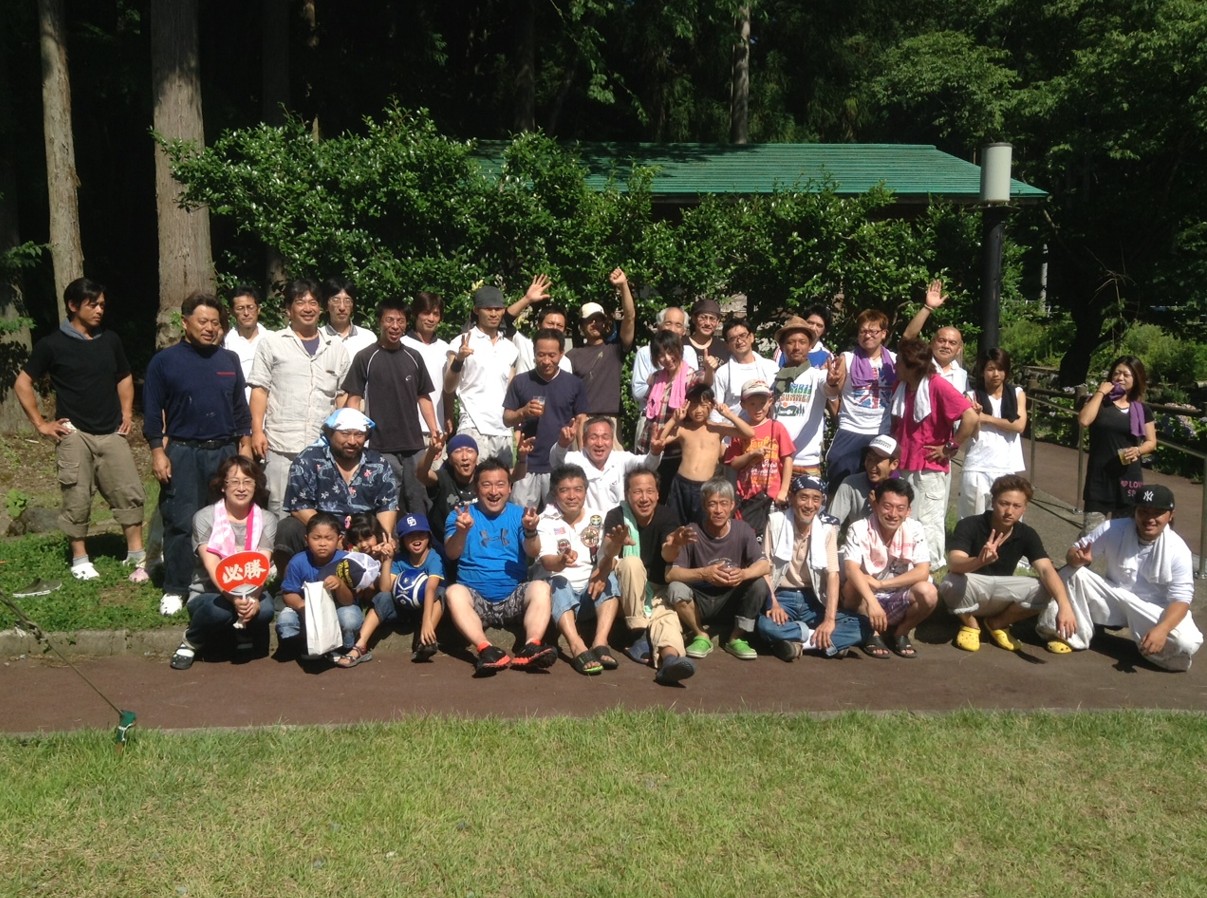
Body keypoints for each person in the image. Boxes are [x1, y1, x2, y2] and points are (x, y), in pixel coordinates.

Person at [14, 277, 147, 582]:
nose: (100, 310)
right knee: (77, 496)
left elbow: (124, 376)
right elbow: (23, 383)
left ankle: (136, 553)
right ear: (73, 306)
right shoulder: (51, 345)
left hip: (111, 431)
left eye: (102, 304)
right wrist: (41, 424)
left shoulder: (110, 340)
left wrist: (127, 412)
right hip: (74, 433)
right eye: (93, 304)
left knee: (128, 491)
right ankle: (80, 559)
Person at [143, 292, 253, 615]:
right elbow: (152, 413)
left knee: (228, 519)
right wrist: (157, 452)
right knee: (181, 521)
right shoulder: (165, 362)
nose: (209, 328)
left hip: (224, 451)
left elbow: (240, 408)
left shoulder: (228, 360)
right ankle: (176, 588)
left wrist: (245, 445)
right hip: (183, 451)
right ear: (185, 322)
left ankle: (226, 580)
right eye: (203, 321)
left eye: (215, 323)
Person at [1038, 484, 1203, 671]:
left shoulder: (1178, 549)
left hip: (1153, 611)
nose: (1149, 519)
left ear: (1170, 515)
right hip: (1115, 595)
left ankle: (1149, 644)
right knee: (1072, 572)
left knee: (1186, 643)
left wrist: (1162, 629)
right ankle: (1068, 635)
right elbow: (1074, 551)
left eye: (1157, 513)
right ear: (1135, 511)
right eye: (1144, 511)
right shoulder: (1112, 528)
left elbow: (1181, 599)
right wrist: (1076, 558)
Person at [442, 458, 557, 675]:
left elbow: (533, 552)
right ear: (476, 488)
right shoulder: (461, 515)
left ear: (510, 488)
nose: (494, 491)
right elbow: (451, 553)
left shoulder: (520, 514)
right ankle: (486, 649)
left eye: (500, 484)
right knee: (453, 592)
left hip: (513, 596)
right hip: (475, 597)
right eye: (486, 485)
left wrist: (531, 531)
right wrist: (462, 532)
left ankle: (531, 646)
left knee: (541, 587)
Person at [248, 278, 351, 514]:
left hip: (323, 448)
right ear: (288, 309)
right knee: (280, 509)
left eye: (313, 303)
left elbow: (342, 398)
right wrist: (257, 431)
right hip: (281, 446)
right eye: (300, 302)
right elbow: (260, 390)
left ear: (321, 308)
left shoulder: (336, 348)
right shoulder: (271, 344)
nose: (308, 308)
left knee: (323, 513)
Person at [941, 475, 1076, 653]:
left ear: (1024, 508)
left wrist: (1064, 606)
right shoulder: (970, 524)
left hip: (1002, 593)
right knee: (950, 582)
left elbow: (1046, 569)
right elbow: (954, 562)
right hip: (971, 588)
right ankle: (971, 625)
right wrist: (979, 560)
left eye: (1016, 506)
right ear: (993, 501)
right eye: (1004, 503)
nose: (1009, 511)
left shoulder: (1027, 534)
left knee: (1046, 587)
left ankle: (997, 624)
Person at [168, 456, 276, 670]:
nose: (241, 488)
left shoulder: (267, 519)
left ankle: (241, 632)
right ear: (222, 486)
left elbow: (261, 565)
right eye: (234, 481)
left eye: (248, 481)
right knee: (219, 611)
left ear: (256, 486)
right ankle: (191, 641)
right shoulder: (205, 517)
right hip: (210, 592)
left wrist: (253, 598)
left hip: (251, 589)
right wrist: (235, 599)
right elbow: (213, 566)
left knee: (265, 610)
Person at [596, 469, 697, 684]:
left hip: (656, 591)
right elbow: (607, 551)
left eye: (650, 491)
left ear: (658, 494)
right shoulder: (617, 516)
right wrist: (617, 542)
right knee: (632, 562)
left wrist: (675, 544)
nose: (644, 498)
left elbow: (667, 553)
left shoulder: (667, 515)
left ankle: (670, 661)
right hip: (625, 594)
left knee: (667, 618)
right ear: (627, 494)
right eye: (637, 492)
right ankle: (638, 632)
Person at [340, 296, 438, 515]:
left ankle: (421, 537)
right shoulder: (365, 357)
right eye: (390, 320)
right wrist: (354, 433)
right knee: (388, 500)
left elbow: (423, 396)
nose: (395, 326)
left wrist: (434, 430)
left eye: (400, 321)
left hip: (414, 444)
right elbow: (353, 398)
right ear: (380, 322)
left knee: (418, 499)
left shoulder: (414, 357)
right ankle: (388, 536)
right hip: (380, 444)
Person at [275, 408, 399, 571]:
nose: (352, 441)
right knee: (288, 528)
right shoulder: (308, 460)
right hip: (322, 532)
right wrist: (333, 536)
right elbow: (299, 506)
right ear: (330, 433)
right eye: (345, 434)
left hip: (363, 533)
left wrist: (384, 538)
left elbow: (387, 505)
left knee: (388, 536)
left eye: (359, 435)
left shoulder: (378, 463)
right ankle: (291, 581)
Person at [758, 475, 866, 660]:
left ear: (821, 502)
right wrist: (773, 603)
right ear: (792, 498)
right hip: (783, 597)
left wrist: (829, 620)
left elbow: (832, 575)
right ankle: (826, 643)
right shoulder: (776, 522)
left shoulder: (826, 528)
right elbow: (763, 568)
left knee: (864, 625)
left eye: (816, 499)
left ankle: (799, 644)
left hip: (813, 600)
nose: (809, 505)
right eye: (803, 497)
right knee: (764, 625)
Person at [890, 337, 977, 567]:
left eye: (899, 362)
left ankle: (933, 565)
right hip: (905, 461)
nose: (895, 366)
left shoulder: (936, 385)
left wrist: (951, 446)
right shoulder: (903, 386)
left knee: (929, 518)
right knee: (908, 516)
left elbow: (970, 417)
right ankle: (910, 561)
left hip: (929, 464)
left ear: (912, 366)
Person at [666, 476, 771, 661]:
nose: (718, 510)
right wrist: (704, 573)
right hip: (700, 600)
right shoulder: (692, 531)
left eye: (724, 503)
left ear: (732, 505)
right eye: (712, 504)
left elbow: (764, 565)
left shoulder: (742, 529)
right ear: (704, 506)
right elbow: (671, 574)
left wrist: (743, 574)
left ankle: (736, 638)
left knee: (759, 584)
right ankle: (700, 634)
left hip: (729, 599)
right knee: (676, 588)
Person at [536, 465, 621, 675]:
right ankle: (576, 646)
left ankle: (600, 642)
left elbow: (610, 557)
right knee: (557, 582)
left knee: (609, 577)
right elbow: (547, 562)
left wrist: (605, 566)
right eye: (564, 490)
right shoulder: (545, 521)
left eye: (578, 489)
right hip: (559, 598)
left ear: (586, 491)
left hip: (590, 594)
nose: (572, 496)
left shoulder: (600, 518)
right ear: (554, 494)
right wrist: (561, 561)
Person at [841, 479, 938, 659]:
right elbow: (851, 569)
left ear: (908, 511)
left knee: (929, 592)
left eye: (900, 508)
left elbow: (922, 571)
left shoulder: (915, 528)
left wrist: (881, 584)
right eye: (887, 506)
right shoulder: (858, 528)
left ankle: (901, 633)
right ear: (875, 505)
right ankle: (872, 633)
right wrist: (872, 602)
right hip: (866, 599)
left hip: (895, 594)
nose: (893, 514)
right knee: (852, 584)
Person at [338, 512, 446, 668]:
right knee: (383, 597)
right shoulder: (400, 559)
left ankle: (425, 641)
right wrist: (388, 561)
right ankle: (359, 646)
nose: (416, 538)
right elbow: (385, 589)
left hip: (424, 610)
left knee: (440, 592)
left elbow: (430, 588)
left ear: (429, 535)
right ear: (402, 539)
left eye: (421, 533)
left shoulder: (434, 558)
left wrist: (427, 621)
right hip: (401, 608)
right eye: (410, 535)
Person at [502, 328, 587, 506]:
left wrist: (581, 456)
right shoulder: (521, 381)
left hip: (560, 464)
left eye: (552, 355)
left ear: (561, 354)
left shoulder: (574, 384)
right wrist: (523, 412)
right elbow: (506, 418)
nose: (546, 361)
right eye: (541, 355)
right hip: (526, 465)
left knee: (559, 515)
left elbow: (581, 421)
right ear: (534, 353)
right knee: (522, 516)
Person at [1078, 355, 1158, 534]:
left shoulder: (1141, 409)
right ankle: (1081, 554)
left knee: (1123, 535)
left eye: (1126, 375)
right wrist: (1100, 393)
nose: (1120, 378)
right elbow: (1084, 421)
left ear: (1136, 379)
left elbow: (1151, 442)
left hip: (1128, 478)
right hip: (1099, 478)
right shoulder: (1099, 402)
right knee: (1091, 535)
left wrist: (1138, 450)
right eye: (1116, 373)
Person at [658, 384, 755, 528]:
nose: (698, 410)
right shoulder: (683, 429)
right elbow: (660, 438)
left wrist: (728, 414)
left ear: (712, 406)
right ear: (686, 406)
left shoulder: (718, 428)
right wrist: (674, 419)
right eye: (693, 405)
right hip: (680, 484)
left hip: (705, 487)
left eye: (703, 405)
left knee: (702, 527)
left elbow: (749, 433)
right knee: (675, 525)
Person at [444, 285, 519, 464]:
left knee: (501, 481)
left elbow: (512, 390)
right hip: (473, 426)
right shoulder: (461, 342)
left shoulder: (510, 348)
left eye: (498, 309)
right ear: (477, 310)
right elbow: (448, 387)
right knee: (473, 480)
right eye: (488, 308)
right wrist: (459, 359)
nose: (493, 313)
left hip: (503, 429)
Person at [825, 308, 898, 491]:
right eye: (863, 331)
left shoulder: (894, 361)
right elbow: (834, 392)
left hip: (881, 429)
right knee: (839, 477)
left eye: (873, 331)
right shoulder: (848, 358)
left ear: (883, 334)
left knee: (879, 485)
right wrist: (832, 382)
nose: (867, 335)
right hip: (851, 428)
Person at [276, 512, 365, 658]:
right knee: (286, 621)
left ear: (339, 539)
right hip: (307, 609)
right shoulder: (298, 561)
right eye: (316, 538)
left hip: (338, 608)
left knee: (350, 619)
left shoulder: (346, 561)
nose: (322, 543)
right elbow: (288, 593)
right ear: (307, 539)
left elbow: (349, 601)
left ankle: (344, 648)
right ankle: (304, 645)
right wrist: (302, 606)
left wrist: (340, 585)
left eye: (329, 538)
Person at [567, 267, 637, 434]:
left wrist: (623, 285)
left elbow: (630, 317)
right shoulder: (572, 356)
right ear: (581, 325)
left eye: (599, 320)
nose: (595, 324)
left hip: (610, 421)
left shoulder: (615, 350)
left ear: (605, 323)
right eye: (590, 320)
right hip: (582, 421)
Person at [959, 348, 1027, 517]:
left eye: (1000, 369)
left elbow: (1019, 426)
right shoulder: (971, 396)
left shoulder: (1017, 393)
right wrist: (976, 419)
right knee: (973, 519)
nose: (996, 374)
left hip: (1006, 466)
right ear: (982, 371)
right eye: (990, 369)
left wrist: (986, 418)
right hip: (977, 466)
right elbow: (971, 432)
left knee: (1006, 519)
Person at [724, 378, 795, 537]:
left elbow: (787, 459)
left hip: (772, 496)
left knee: (773, 537)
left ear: (770, 402)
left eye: (762, 403)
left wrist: (783, 490)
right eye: (752, 404)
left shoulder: (777, 427)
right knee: (749, 537)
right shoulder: (740, 431)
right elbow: (733, 463)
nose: (758, 408)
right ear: (743, 405)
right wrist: (751, 455)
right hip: (747, 497)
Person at [770, 315, 839, 478]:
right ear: (782, 347)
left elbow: (830, 391)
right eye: (790, 342)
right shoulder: (772, 377)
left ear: (810, 346)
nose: (796, 347)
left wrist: (832, 383)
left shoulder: (817, 376)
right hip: (775, 459)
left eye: (802, 342)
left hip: (806, 461)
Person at [549, 416, 663, 511]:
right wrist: (562, 444)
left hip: (618, 524)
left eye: (605, 437)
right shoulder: (575, 459)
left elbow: (648, 466)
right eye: (593, 437)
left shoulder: (622, 459)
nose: (599, 443)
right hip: (586, 526)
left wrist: (655, 452)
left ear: (612, 440)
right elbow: (556, 461)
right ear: (584, 440)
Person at [401, 291, 453, 442]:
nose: (431, 319)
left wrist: (449, 415)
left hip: (436, 429)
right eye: (426, 313)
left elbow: (448, 389)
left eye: (436, 314)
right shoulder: (402, 345)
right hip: (407, 429)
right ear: (416, 314)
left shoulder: (445, 348)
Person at [901, 279, 969, 392]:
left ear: (959, 349)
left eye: (952, 343)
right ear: (932, 343)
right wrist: (928, 308)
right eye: (941, 340)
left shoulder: (962, 376)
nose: (946, 346)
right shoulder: (919, 364)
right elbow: (907, 339)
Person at [827, 435, 900, 531]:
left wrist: (877, 509)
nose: (871, 465)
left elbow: (909, 531)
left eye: (878, 461)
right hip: (857, 539)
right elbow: (831, 523)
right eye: (869, 459)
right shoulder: (850, 484)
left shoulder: (907, 492)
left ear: (894, 464)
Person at [710, 316, 780, 416]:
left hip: (767, 424)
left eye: (743, 335)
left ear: (751, 337)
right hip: (732, 425)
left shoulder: (771, 367)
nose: (739, 341)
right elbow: (715, 409)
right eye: (733, 338)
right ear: (727, 345)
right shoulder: (722, 372)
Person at [630, 306, 699, 404]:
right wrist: (659, 384)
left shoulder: (688, 352)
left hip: (681, 410)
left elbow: (692, 386)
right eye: (668, 323)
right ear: (659, 327)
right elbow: (638, 392)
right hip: (651, 410)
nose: (672, 329)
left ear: (684, 331)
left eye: (678, 325)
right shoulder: (645, 353)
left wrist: (658, 383)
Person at [222, 284, 267, 402]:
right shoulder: (225, 343)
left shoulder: (272, 340)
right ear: (232, 311)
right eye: (240, 308)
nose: (246, 313)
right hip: (236, 407)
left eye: (250, 307)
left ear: (258, 309)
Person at [320, 276, 377, 359]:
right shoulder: (318, 338)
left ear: (353, 305)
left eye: (347, 301)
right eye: (336, 300)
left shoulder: (368, 338)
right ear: (326, 305)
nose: (342, 307)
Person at [686, 298, 730, 363]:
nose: (707, 323)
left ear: (717, 322)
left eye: (712, 319)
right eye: (703, 318)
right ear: (694, 319)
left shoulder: (725, 348)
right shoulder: (680, 346)